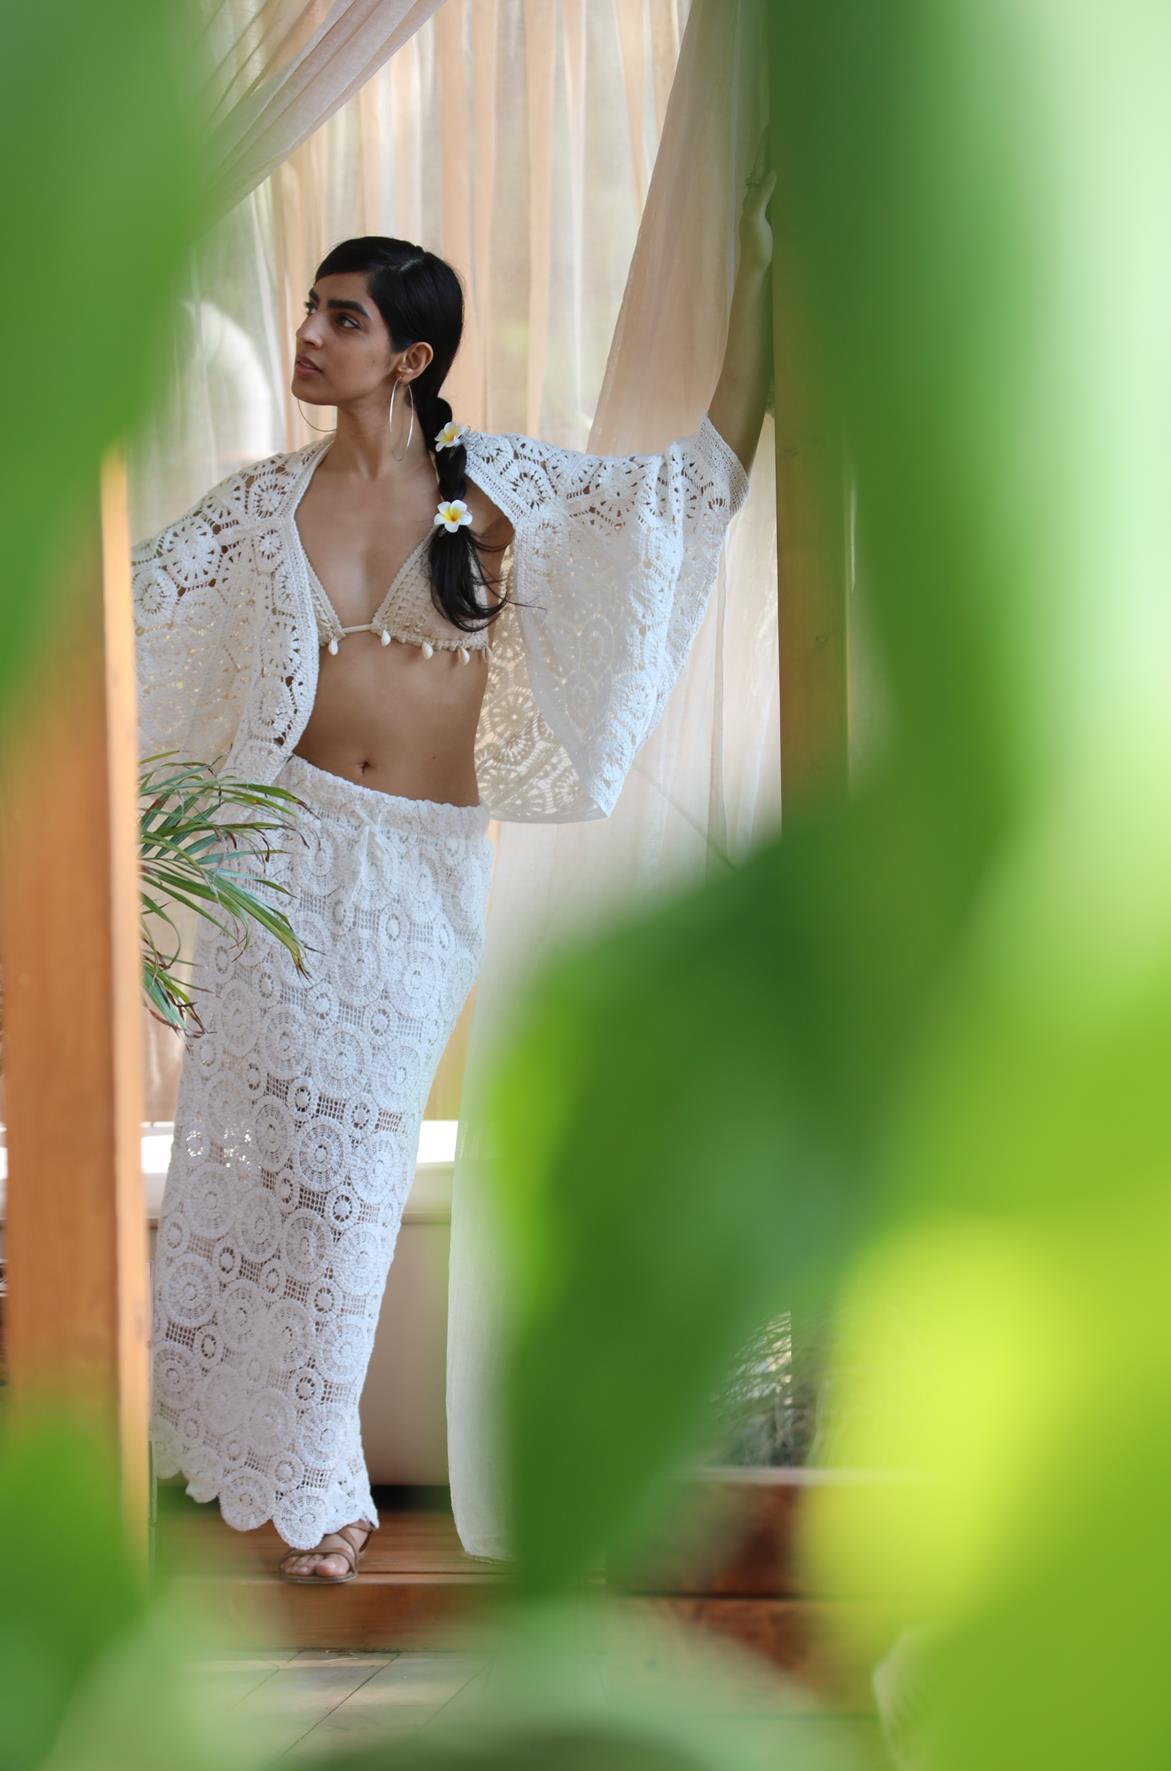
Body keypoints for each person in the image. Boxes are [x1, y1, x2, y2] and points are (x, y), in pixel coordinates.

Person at [136, 194, 772, 1583]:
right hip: (273, 862)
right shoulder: (257, 509)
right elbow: (127, 613)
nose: (309, 336)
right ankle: (304, 1492)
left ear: (411, 357)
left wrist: (761, 290)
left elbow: (682, 492)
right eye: (310, 310)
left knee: (349, 1179)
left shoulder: (490, 494)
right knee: (251, 1171)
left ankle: (295, 1478)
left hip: (415, 882)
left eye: (343, 318)